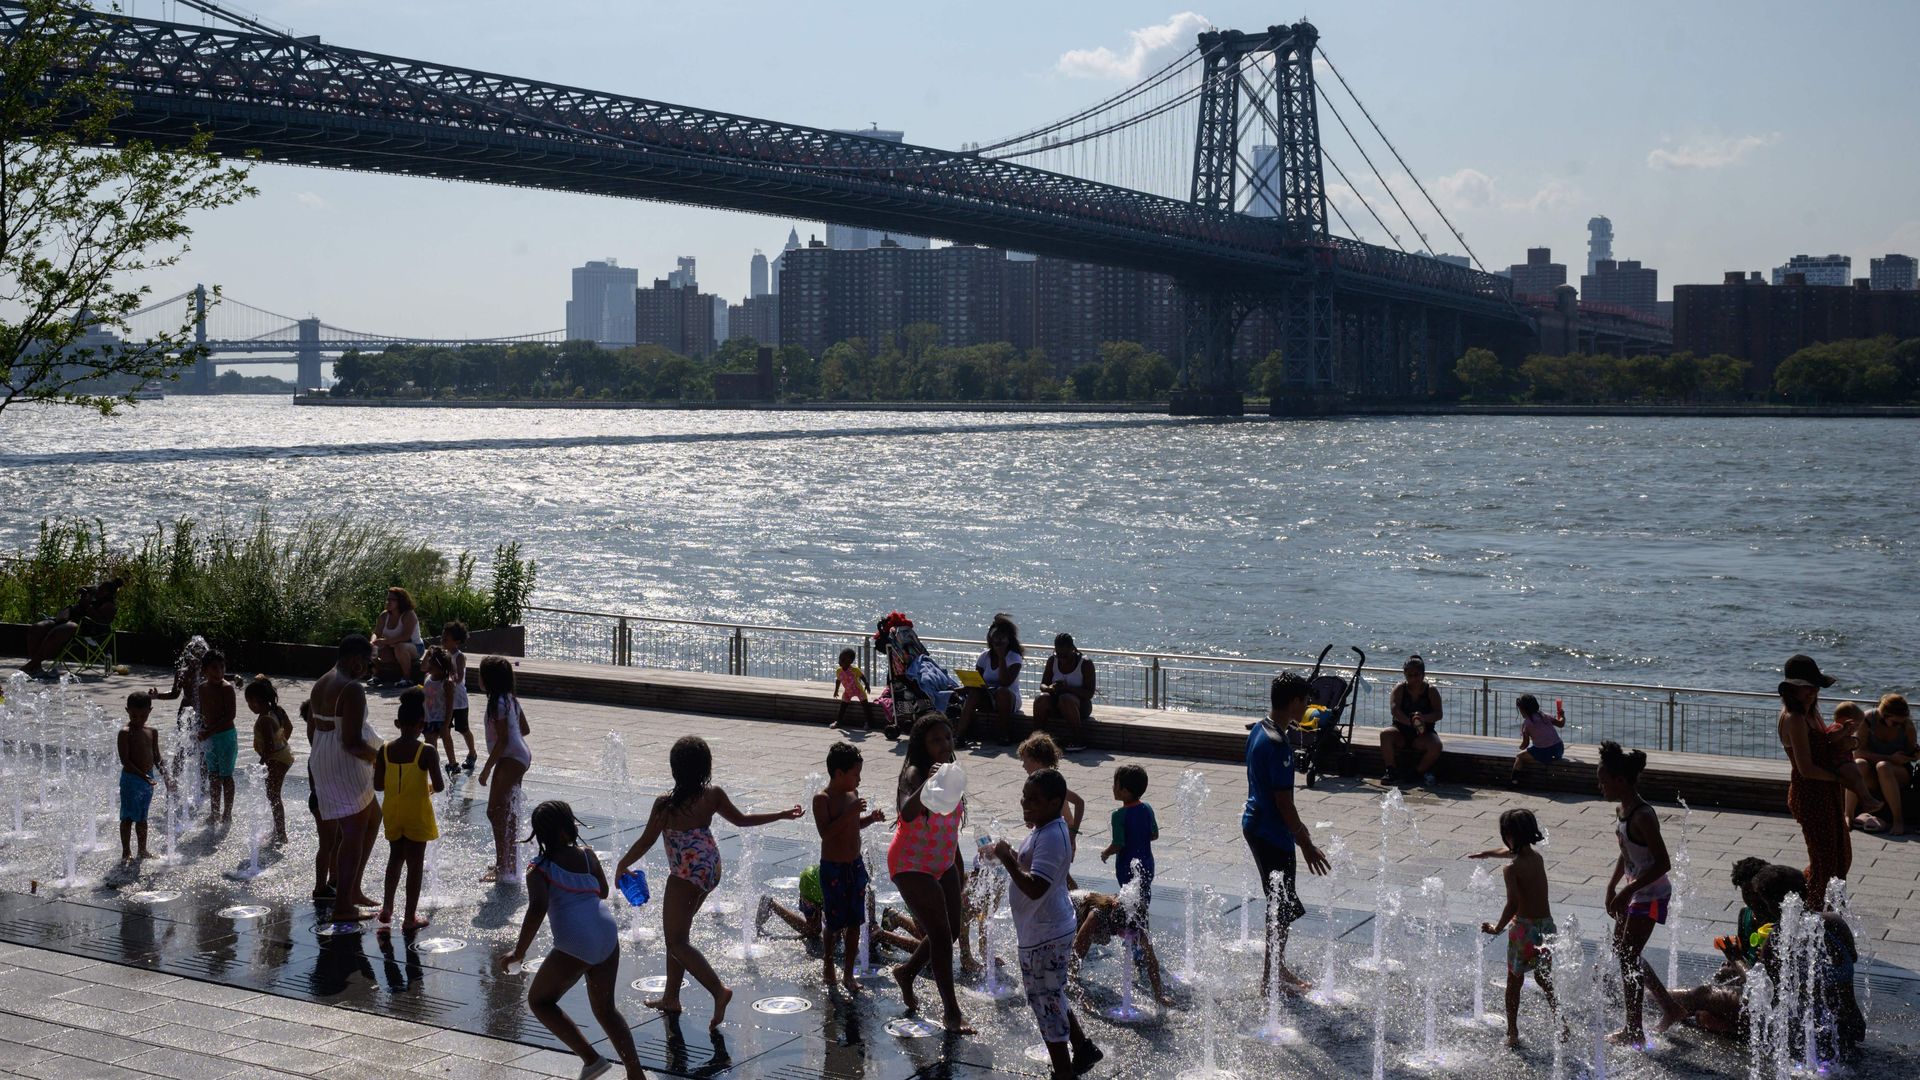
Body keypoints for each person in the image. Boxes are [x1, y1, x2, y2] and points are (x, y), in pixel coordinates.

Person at [613, 735, 801, 1029]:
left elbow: (646, 840)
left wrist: (622, 864)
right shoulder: (712, 795)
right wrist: (781, 814)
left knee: (676, 940)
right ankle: (671, 997)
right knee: (677, 936)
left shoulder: (665, 805)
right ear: (705, 767)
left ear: (675, 769)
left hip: (685, 875)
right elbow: (742, 820)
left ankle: (718, 990)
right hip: (710, 869)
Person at [503, 801, 645, 1080]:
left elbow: (536, 909)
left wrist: (518, 952)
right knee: (606, 1009)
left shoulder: (538, 869)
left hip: (575, 943)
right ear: (569, 827)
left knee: (540, 1001)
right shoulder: (587, 855)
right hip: (606, 934)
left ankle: (592, 1059)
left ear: (540, 835)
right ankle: (635, 1073)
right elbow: (603, 891)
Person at [993, 768, 1103, 1080]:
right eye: (1024, 798)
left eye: (1034, 800)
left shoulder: (1053, 835)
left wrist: (1007, 860)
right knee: (1052, 994)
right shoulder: (1046, 827)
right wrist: (1008, 853)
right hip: (1043, 929)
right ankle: (1082, 1048)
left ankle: (1064, 1073)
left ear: (1056, 802)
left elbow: (1036, 886)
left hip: (1046, 934)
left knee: (1046, 1004)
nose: (1025, 804)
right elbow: (1033, 868)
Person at [1243, 672, 1332, 994]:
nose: (1308, 706)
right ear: (1295, 701)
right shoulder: (1279, 745)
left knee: (1279, 903)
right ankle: (1272, 978)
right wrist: (1306, 843)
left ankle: (1276, 971)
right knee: (1280, 907)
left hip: (1256, 824)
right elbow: (1284, 804)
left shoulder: (1258, 729)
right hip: (1271, 832)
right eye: (1306, 700)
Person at [886, 714, 973, 1033]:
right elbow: (907, 811)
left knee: (950, 931)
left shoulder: (953, 774)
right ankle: (952, 1012)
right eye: (936, 740)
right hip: (911, 864)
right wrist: (928, 782)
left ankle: (907, 972)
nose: (944, 745)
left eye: (948, 738)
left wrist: (958, 869)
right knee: (938, 936)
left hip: (943, 862)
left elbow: (950, 826)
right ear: (923, 745)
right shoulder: (914, 772)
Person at [1597, 740, 1686, 1044]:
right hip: (1634, 891)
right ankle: (1670, 1008)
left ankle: (1634, 1029)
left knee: (1626, 956)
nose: (1601, 786)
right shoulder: (1624, 809)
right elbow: (1627, 853)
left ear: (1620, 781)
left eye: (1603, 781)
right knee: (1624, 953)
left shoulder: (1643, 815)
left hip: (1652, 894)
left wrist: (1628, 890)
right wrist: (1612, 886)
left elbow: (1663, 862)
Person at [1471, 808, 1566, 1050]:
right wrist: (1487, 854)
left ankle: (1512, 1032)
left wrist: (1496, 928)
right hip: (1546, 926)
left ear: (1509, 835)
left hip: (1523, 929)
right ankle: (1561, 1021)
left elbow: (1512, 903)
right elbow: (1511, 852)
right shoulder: (1536, 858)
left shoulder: (1511, 869)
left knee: (1514, 982)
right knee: (1544, 979)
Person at [307, 634, 385, 923]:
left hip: (323, 755)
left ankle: (352, 890)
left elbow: (312, 729)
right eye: (367, 663)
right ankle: (343, 905)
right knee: (353, 833)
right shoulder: (351, 688)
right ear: (355, 660)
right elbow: (352, 742)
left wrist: (318, 764)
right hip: (344, 761)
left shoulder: (322, 680)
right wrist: (379, 759)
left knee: (373, 817)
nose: (368, 670)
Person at [1776, 655, 1854, 911]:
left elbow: (1824, 748)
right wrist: (1838, 777)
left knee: (1842, 856)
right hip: (1809, 794)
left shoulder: (1811, 712)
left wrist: (1845, 740)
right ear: (1791, 689)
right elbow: (1806, 768)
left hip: (1826, 792)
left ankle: (1824, 909)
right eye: (1806, 687)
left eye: (1815, 687)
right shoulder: (1794, 718)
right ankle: (1812, 914)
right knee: (1825, 862)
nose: (1812, 692)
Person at [814, 740, 886, 994]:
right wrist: (850, 812)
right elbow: (827, 833)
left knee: (856, 921)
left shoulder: (852, 796)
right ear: (839, 773)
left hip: (854, 866)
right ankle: (828, 964)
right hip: (832, 868)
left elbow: (853, 827)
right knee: (834, 923)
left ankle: (847, 973)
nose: (859, 780)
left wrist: (869, 819)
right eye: (855, 774)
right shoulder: (822, 799)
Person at [375, 687, 444, 934]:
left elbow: (378, 785)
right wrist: (424, 786)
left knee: (395, 860)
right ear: (422, 724)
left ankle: (386, 908)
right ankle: (408, 917)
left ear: (397, 723)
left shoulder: (384, 749)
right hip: (417, 813)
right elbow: (439, 785)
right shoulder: (426, 751)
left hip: (392, 812)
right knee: (415, 865)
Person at [477, 656, 532, 883]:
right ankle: (509, 861)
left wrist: (486, 769)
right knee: (508, 813)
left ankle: (504, 865)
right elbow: (525, 730)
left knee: (494, 812)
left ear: (489, 679)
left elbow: (503, 740)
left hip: (510, 758)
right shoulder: (509, 699)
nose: (478, 678)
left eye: (480, 674)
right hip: (519, 756)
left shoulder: (499, 703)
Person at [1067, 888, 1172, 1006]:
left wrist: (1159, 996)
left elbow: (1151, 961)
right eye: (1124, 934)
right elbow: (1075, 955)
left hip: (1084, 918)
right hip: (1063, 915)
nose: (1128, 938)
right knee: (1063, 960)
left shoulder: (1137, 920)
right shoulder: (1097, 916)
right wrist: (1078, 994)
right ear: (1114, 922)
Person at [21, 578, 120, 676]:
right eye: (99, 588)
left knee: (59, 631)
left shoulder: (109, 605)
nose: (98, 591)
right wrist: (82, 590)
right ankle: (36, 666)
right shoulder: (94, 591)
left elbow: (101, 621)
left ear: (108, 594)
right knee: (36, 628)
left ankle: (32, 664)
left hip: (86, 630)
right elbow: (81, 588)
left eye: (102, 590)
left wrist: (88, 607)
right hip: (68, 618)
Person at [1849, 693, 1916, 836]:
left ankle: (1898, 820)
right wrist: (1890, 757)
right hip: (1872, 772)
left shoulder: (1907, 726)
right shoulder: (1867, 720)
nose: (1899, 725)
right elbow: (1857, 753)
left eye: (1902, 722)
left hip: (1897, 772)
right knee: (1859, 764)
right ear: (1883, 716)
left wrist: (1913, 754)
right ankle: (1847, 814)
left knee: (1883, 766)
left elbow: (1912, 753)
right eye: (1895, 723)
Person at [1018, 734, 1083, 877]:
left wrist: (1073, 834)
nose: (1023, 765)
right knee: (1059, 877)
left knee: (1061, 878)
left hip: (1059, 836)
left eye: (1025, 761)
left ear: (1037, 760)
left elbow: (1079, 802)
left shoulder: (1052, 783)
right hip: (1052, 833)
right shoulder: (1039, 783)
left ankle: (1076, 898)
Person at [117, 692, 172, 859]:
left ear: (150, 711)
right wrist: (143, 776)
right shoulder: (125, 732)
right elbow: (125, 761)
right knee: (127, 817)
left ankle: (142, 850)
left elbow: (157, 757)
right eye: (134, 715)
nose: (139, 719)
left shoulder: (152, 731)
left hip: (147, 779)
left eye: (143, 715)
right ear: (127, 710)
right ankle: (126, 851)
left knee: (142, 816)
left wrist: (166, 776)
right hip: (132, 780)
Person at [1099, 763, 1155, 922]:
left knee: (1129, 902)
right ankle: (1143, 934)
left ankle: (1131, 934)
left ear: (1124, 791)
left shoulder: (1119, 815)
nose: (1112, 787)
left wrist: (1105, 852)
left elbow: (1118, 844)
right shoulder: (1148, 808)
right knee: (1143, 899)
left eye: (1115, 784)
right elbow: (1154, 834)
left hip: (1127, 865)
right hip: (1147, 863)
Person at [958, 613, 1023, 746]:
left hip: (1008, 699)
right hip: (988, 696)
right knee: (973, 694)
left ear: (1008, 639)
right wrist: (965, 686)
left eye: (1002, 639)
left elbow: (1005, 682)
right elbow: (977, 680)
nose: (998, 642)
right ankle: (960, 734)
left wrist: (1001, 658)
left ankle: (1003, 733)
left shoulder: (1014, 657)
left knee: (1002, 692)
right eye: (995, 638)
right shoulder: (984, 656)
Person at [245, 676, 295, 844]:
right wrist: (283, 742)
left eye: (250, 703)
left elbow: (269, 747)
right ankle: (278, 830)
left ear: (257, 702)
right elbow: (289, 727)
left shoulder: (265, 720)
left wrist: (260, 764)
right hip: (284, 755)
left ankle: (281, 834)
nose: (250, 707)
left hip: (275, 759)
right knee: (273, 794)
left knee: (273, 795)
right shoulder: (278, 710)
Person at [1381, 654, 1444, 787]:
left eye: (1417, 675)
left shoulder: (1431, 691)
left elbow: (1438, 714)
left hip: (1423, 733)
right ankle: (1390, 770)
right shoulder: (1399, 688)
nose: (1414, 678)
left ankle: (1416, 772)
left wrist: (1423, 718)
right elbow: (1394, 709)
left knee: (1436, 745)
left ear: (1423, 674)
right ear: (1405, 675)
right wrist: (1409, 722)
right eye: (1410, 675)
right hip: (1401, 730)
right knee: (1385, 734)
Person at [196, 648, 238, 826]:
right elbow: (202, 713)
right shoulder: (202, 688)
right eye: (214, 668)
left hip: (225, 737)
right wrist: (199, 729)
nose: (219, 672)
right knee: (213, 775)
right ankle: (214, 811)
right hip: (210, 737)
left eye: (221, 668)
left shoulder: (227, 689)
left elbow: (230, 716)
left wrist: (209, 731)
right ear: (204, 670)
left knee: (226, 776)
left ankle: (227, 812)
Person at [1031, 634, 1096, 751]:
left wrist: (1068, 688)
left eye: (1065, 656)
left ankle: (1078, 739)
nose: (1061, 659)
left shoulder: (1085, 664)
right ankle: (1037, 738)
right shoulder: (1052, 660)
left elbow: (1089, 693)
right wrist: (1049, 688)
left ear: (1072, 649)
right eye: (1058, 655)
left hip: (1080, 706)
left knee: (1065, 698)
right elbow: (1042, 685)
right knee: (1041, 698)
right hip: (1057, 703)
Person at [441, 621, 477, 772]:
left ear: (456, 641)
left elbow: (460, 676)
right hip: (445, 699)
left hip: (459, 700)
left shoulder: (459, 656)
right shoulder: (441, 654)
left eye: (446, 638)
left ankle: (472, 752)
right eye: (443, 637)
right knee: (445, 730)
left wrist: (449, 677)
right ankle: (452, 761)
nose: (443, 640)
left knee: (463, 728)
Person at [1509, 693, 1566, 787]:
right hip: (1558, 749)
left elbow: (1525, 744)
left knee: (1519, 756)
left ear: (1523, 710)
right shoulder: (1545, 716)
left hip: (1543, 752)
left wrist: (1520, 748)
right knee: (1537, 748)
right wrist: (1562, 715)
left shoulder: (1526, 724)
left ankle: (1513, 781)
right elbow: (1561, 724)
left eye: (1520, 710)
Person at [419, 646, 460, 774]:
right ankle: (434, 764)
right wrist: (427, 653)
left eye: (432, 665)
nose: (428, 666)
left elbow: (450, 706)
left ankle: (452, 763)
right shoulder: (427, 676)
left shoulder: (446, 683)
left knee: (445, 740)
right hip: (428, 717)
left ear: (441, 668)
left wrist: (446, 724)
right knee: (430, 742)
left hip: (441, 718)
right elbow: (422, 667)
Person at [372, 586, 424, 685]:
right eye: (387, 599)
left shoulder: (409, 614)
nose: (388, 602)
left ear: (400, 601)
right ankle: (377, 676)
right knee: (375, 648)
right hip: (392, 648)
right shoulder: (384, 615)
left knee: (400, 647)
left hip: (414, 647)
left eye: (392, 600)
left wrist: (385, 641)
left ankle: (407, 678)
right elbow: (376, 633)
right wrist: (372, 641)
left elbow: (406, 636)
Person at [831, 648, 876, 731]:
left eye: (843, 660)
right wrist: (836, 690)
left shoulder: (854, 670)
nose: (840, 661)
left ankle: (868, 723)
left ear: (850, 662)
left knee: (865, 706)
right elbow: (838, 680)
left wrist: (867, 684)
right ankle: (839, 722)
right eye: (840, 659)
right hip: (848, 692)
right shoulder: (838, 671)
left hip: (858, 690)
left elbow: (862, 677)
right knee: (843, 706)